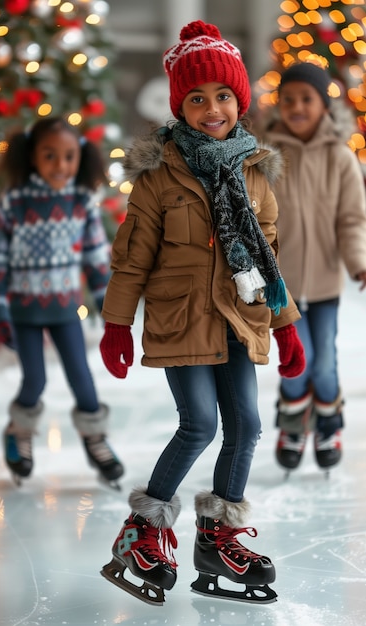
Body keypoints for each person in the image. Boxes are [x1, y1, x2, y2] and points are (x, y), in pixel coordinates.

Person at [98, 20, 305, 605]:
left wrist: (286, 327)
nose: (211, 108)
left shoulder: (256, 172)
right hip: (180, 318)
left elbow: (268, 259)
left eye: (222, 96)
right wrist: (117, 323)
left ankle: (219, 538)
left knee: (246, 423)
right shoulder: (159, 175)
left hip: (239, 319)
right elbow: (132, 258)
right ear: (179, 106)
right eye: (196, 97)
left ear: (239, 101)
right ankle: (142, 532)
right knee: (199, 426)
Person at [0, 117, 124, 487]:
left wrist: (111, 311)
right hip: (24, 312)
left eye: (69, 156)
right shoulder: (15, 202)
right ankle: (19, 431)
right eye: (50, 156)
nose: (61, 165)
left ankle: (96, 438)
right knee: (35, 380)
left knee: (83, 378)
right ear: (32, 157)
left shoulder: (82, 201)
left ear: (81, 157)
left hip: (64, 310)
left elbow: (95, 258)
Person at [262, 63, 366, 474]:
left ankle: (328, 423)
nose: (297, 107)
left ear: (324, 105)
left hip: (323, 283)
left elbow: (352, 220)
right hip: (280, 285)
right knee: (294, 360)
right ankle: (292, 424)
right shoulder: (266, 154)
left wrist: (358, 264)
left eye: (307, 99)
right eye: (288, 99)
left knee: (324, 362)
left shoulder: (340, 157)